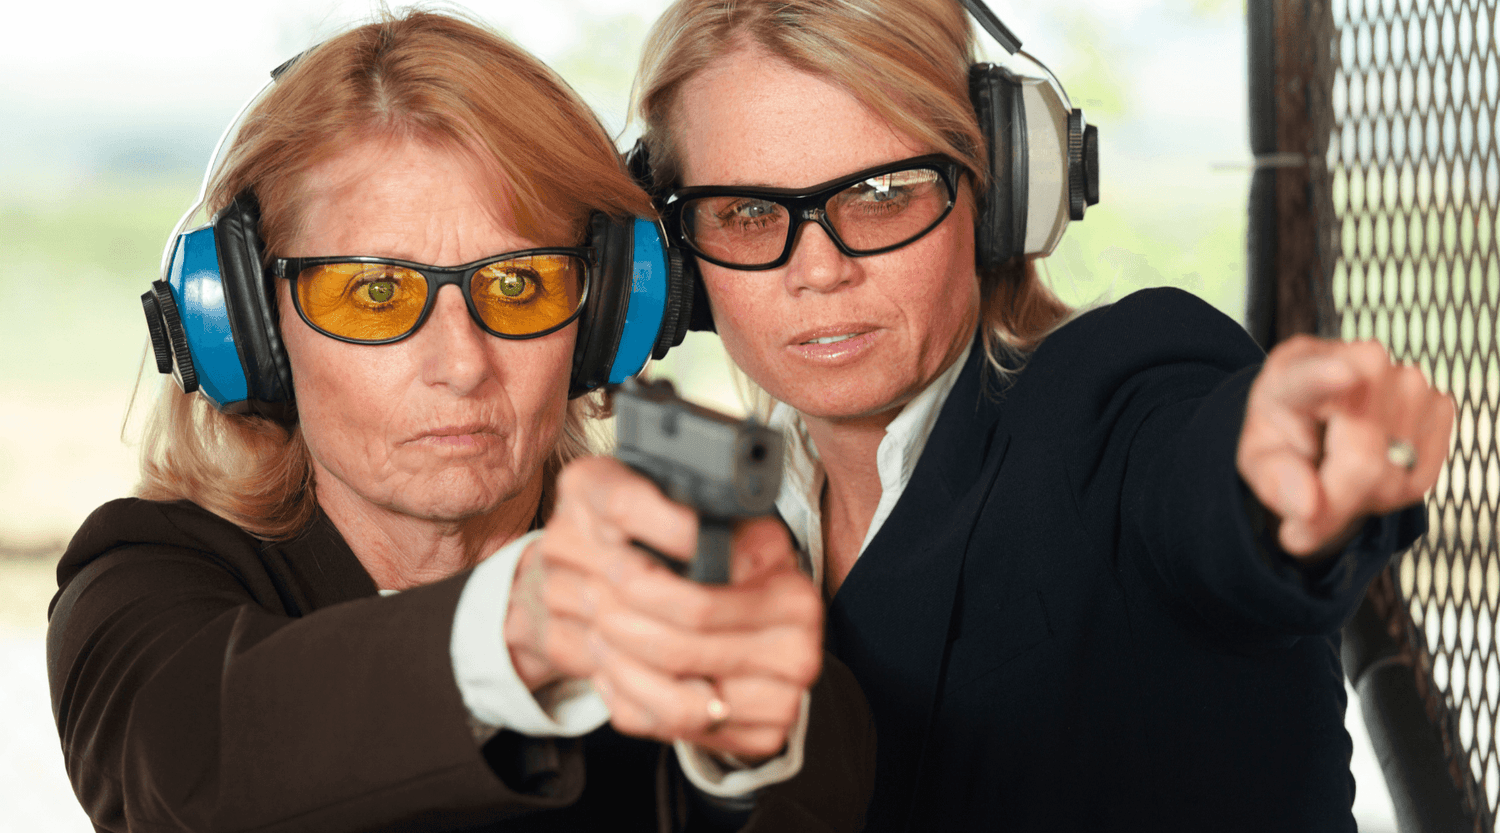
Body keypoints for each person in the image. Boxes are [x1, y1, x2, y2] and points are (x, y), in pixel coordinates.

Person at [632, 0, 1455, 830]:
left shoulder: (1110, 391)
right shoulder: (725, 515)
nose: (818, 268)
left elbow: (1192, 481)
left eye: (882, 193)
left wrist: (1271, 478)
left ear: (997, 193)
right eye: (745, 213)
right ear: (677, 259)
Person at [45, 11, 873, 833]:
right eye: (373, 292)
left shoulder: (690, 568)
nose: (462, 363)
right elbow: (190, 758)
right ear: (249, 327)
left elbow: (820, 781)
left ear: (609, 318)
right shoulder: (139, 576)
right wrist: (520, 627)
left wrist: (747, 738)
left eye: (520, 285)